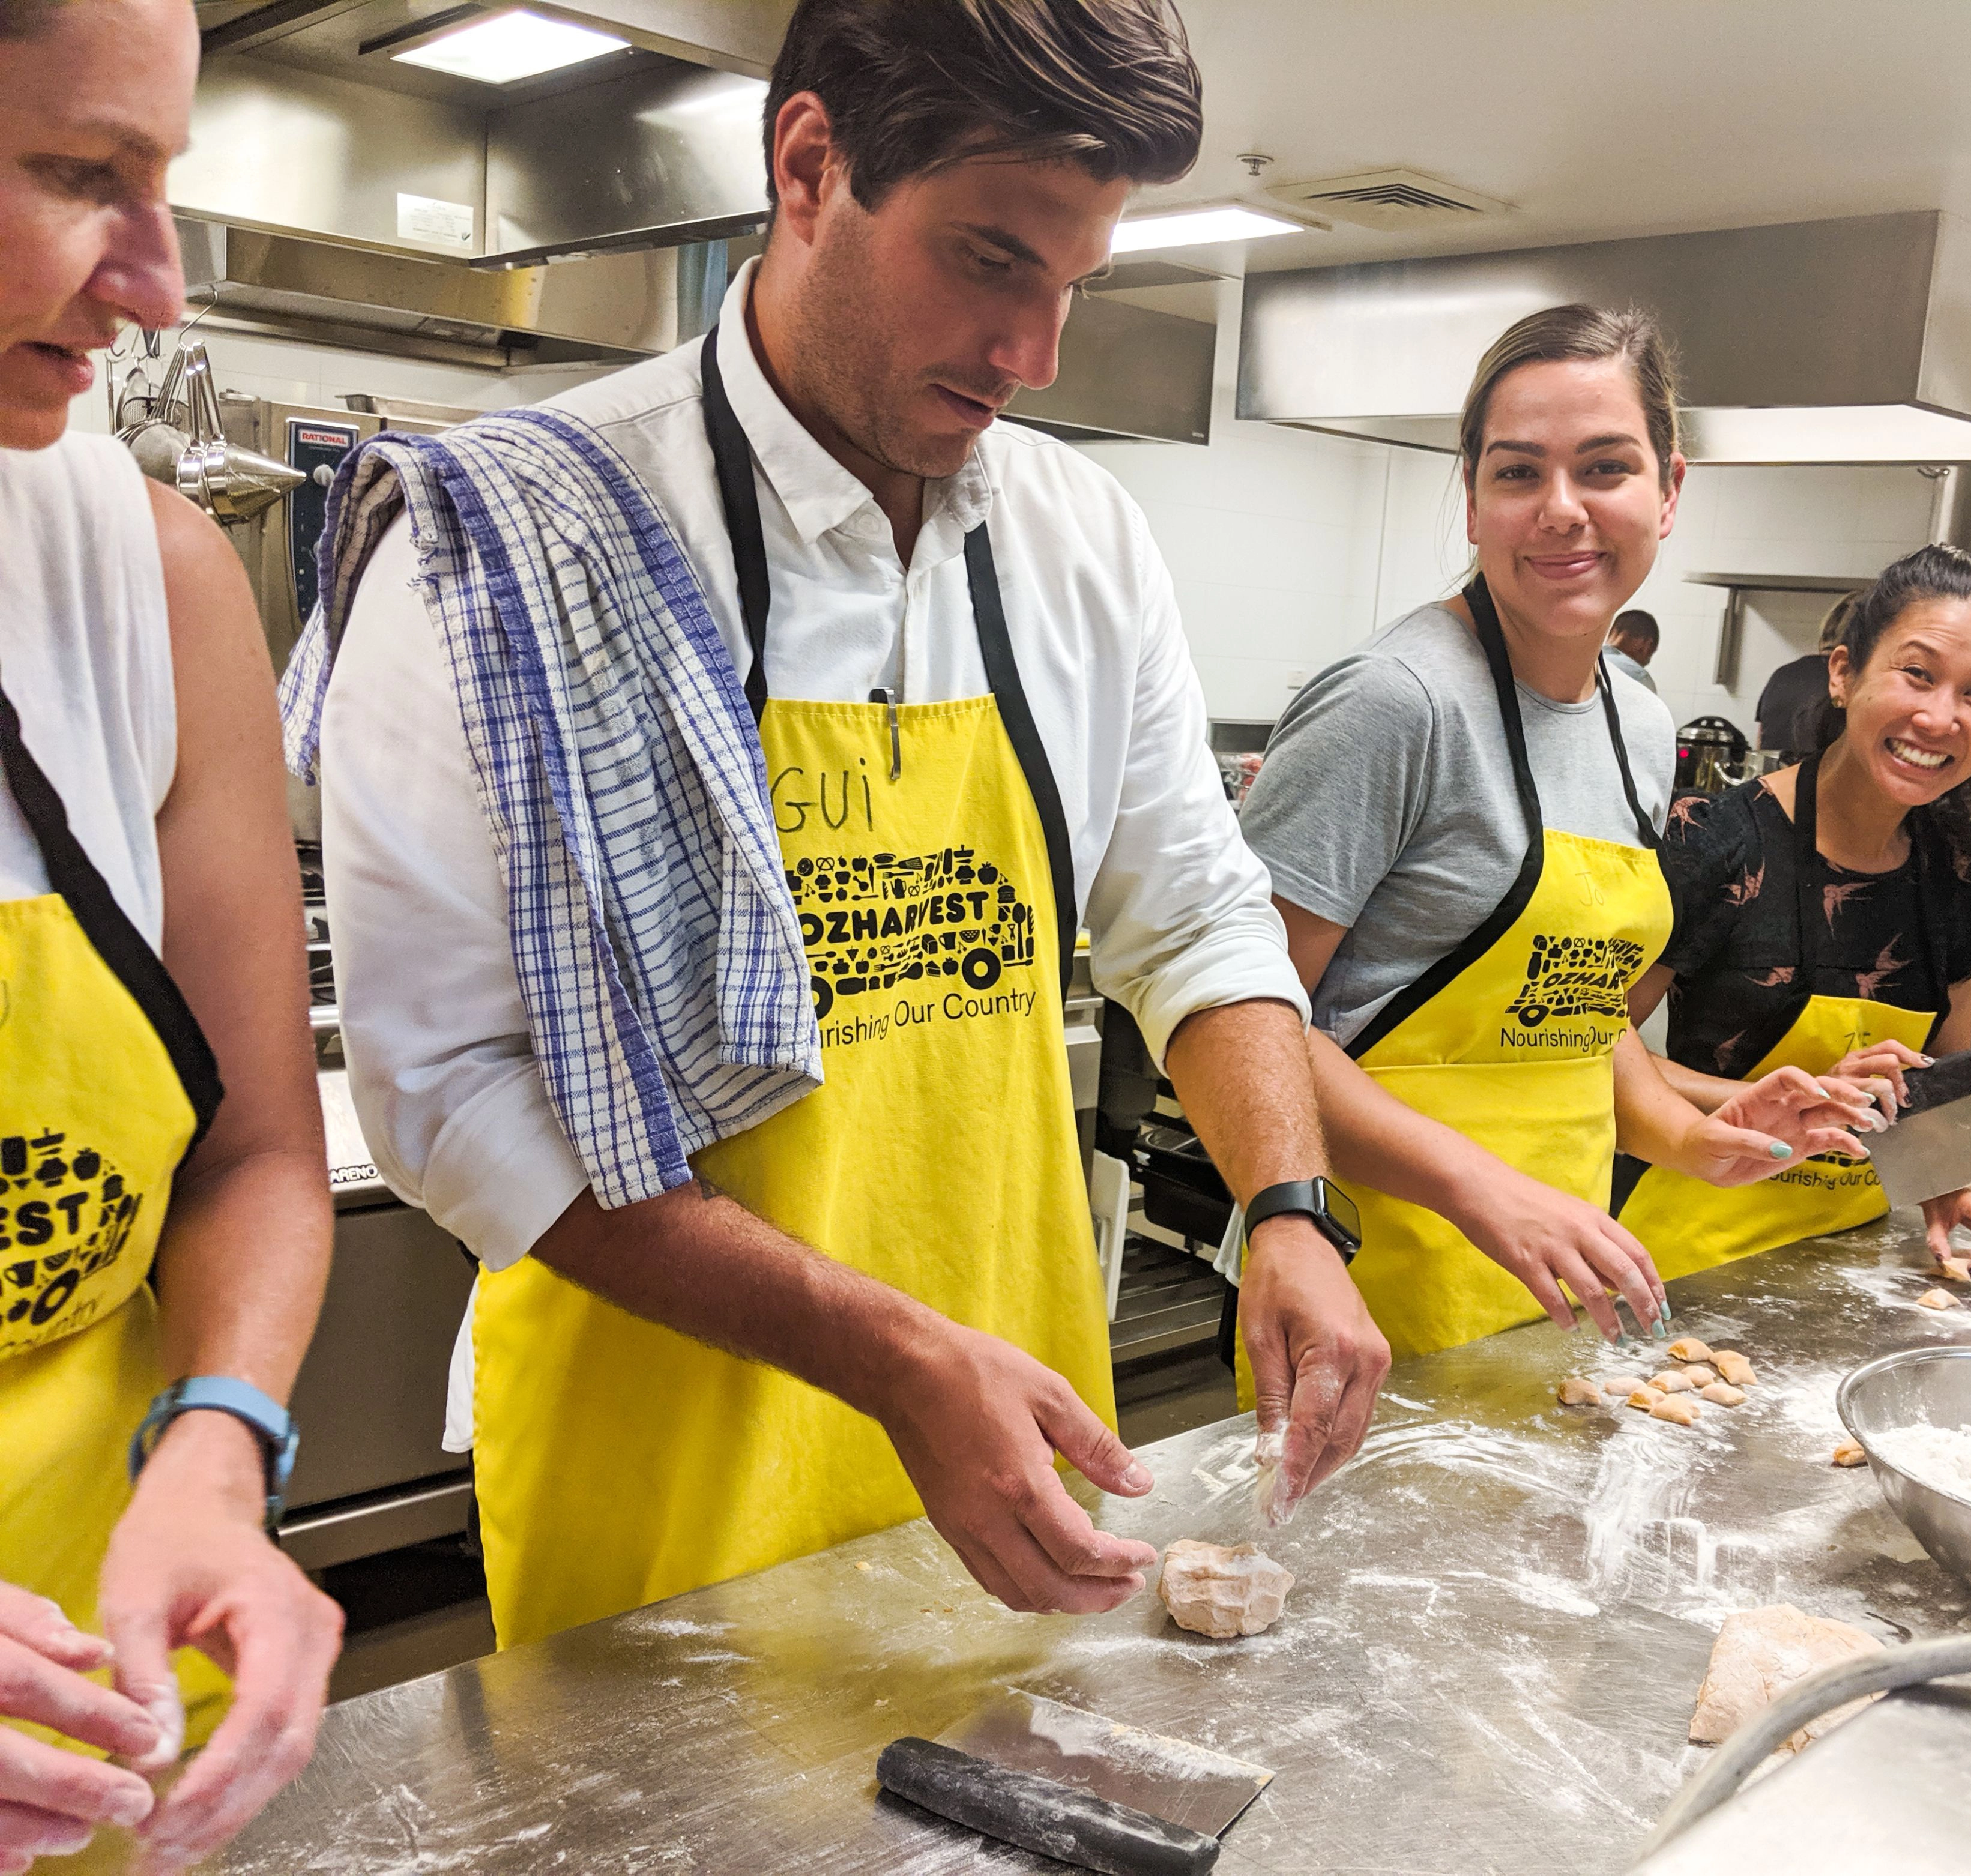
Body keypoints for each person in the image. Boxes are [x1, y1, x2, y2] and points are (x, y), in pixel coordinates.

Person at [294, 0, 1386, 1651]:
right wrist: (888, 1353)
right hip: (668, 1464)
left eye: (1074, 283)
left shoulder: (1078, 537)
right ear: (809, 163)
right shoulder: (512, 546)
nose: (1035, 354)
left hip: (1015, 1438)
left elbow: (1193, 915)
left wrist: (1286, 1210)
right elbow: (446, 1095)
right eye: (988, 258)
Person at [1237, 305, 1871, 1366]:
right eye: (1518, 473)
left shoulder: (1639, 718)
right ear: (1473, 499)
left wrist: (1690, 1136)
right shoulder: (1396, 705)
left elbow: (1576, 1013)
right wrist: (1484, 1193)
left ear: (1668, 493)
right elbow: (1245, 1026)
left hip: (1556, 1290)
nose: (1560, 511)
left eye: (1605, 468)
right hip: (1365, 1293)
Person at [0, 0, 342, 1867]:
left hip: (105, 1739)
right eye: (78, 175)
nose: (158, 286)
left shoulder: (141, 577)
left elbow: (259, 1152)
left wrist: (217, 1444)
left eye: (167, 183)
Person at [1617, 546, 1971, 1281]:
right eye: (1918, 673)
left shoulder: (1954, 860)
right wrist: (1775, 1102)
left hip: (1845, 1262)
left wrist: (1953, 1181)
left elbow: (1939, 1076)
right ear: (1843, 673)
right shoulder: (1719, 840)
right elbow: (1581, 1046)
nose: (1939, 717)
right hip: (1679, 1255)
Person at [1752, 591, 1854, 758]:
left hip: (1769, 779)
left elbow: (1761, 742)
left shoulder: (1782, 674)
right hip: (1812, 781)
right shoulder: (1847, 685)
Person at [1602, 608, 1659, 693]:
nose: (1646, 662)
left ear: (1612, 632)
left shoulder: (1583, 661)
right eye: (1648, 657)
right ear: (1648, 644)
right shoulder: (1638, 676)